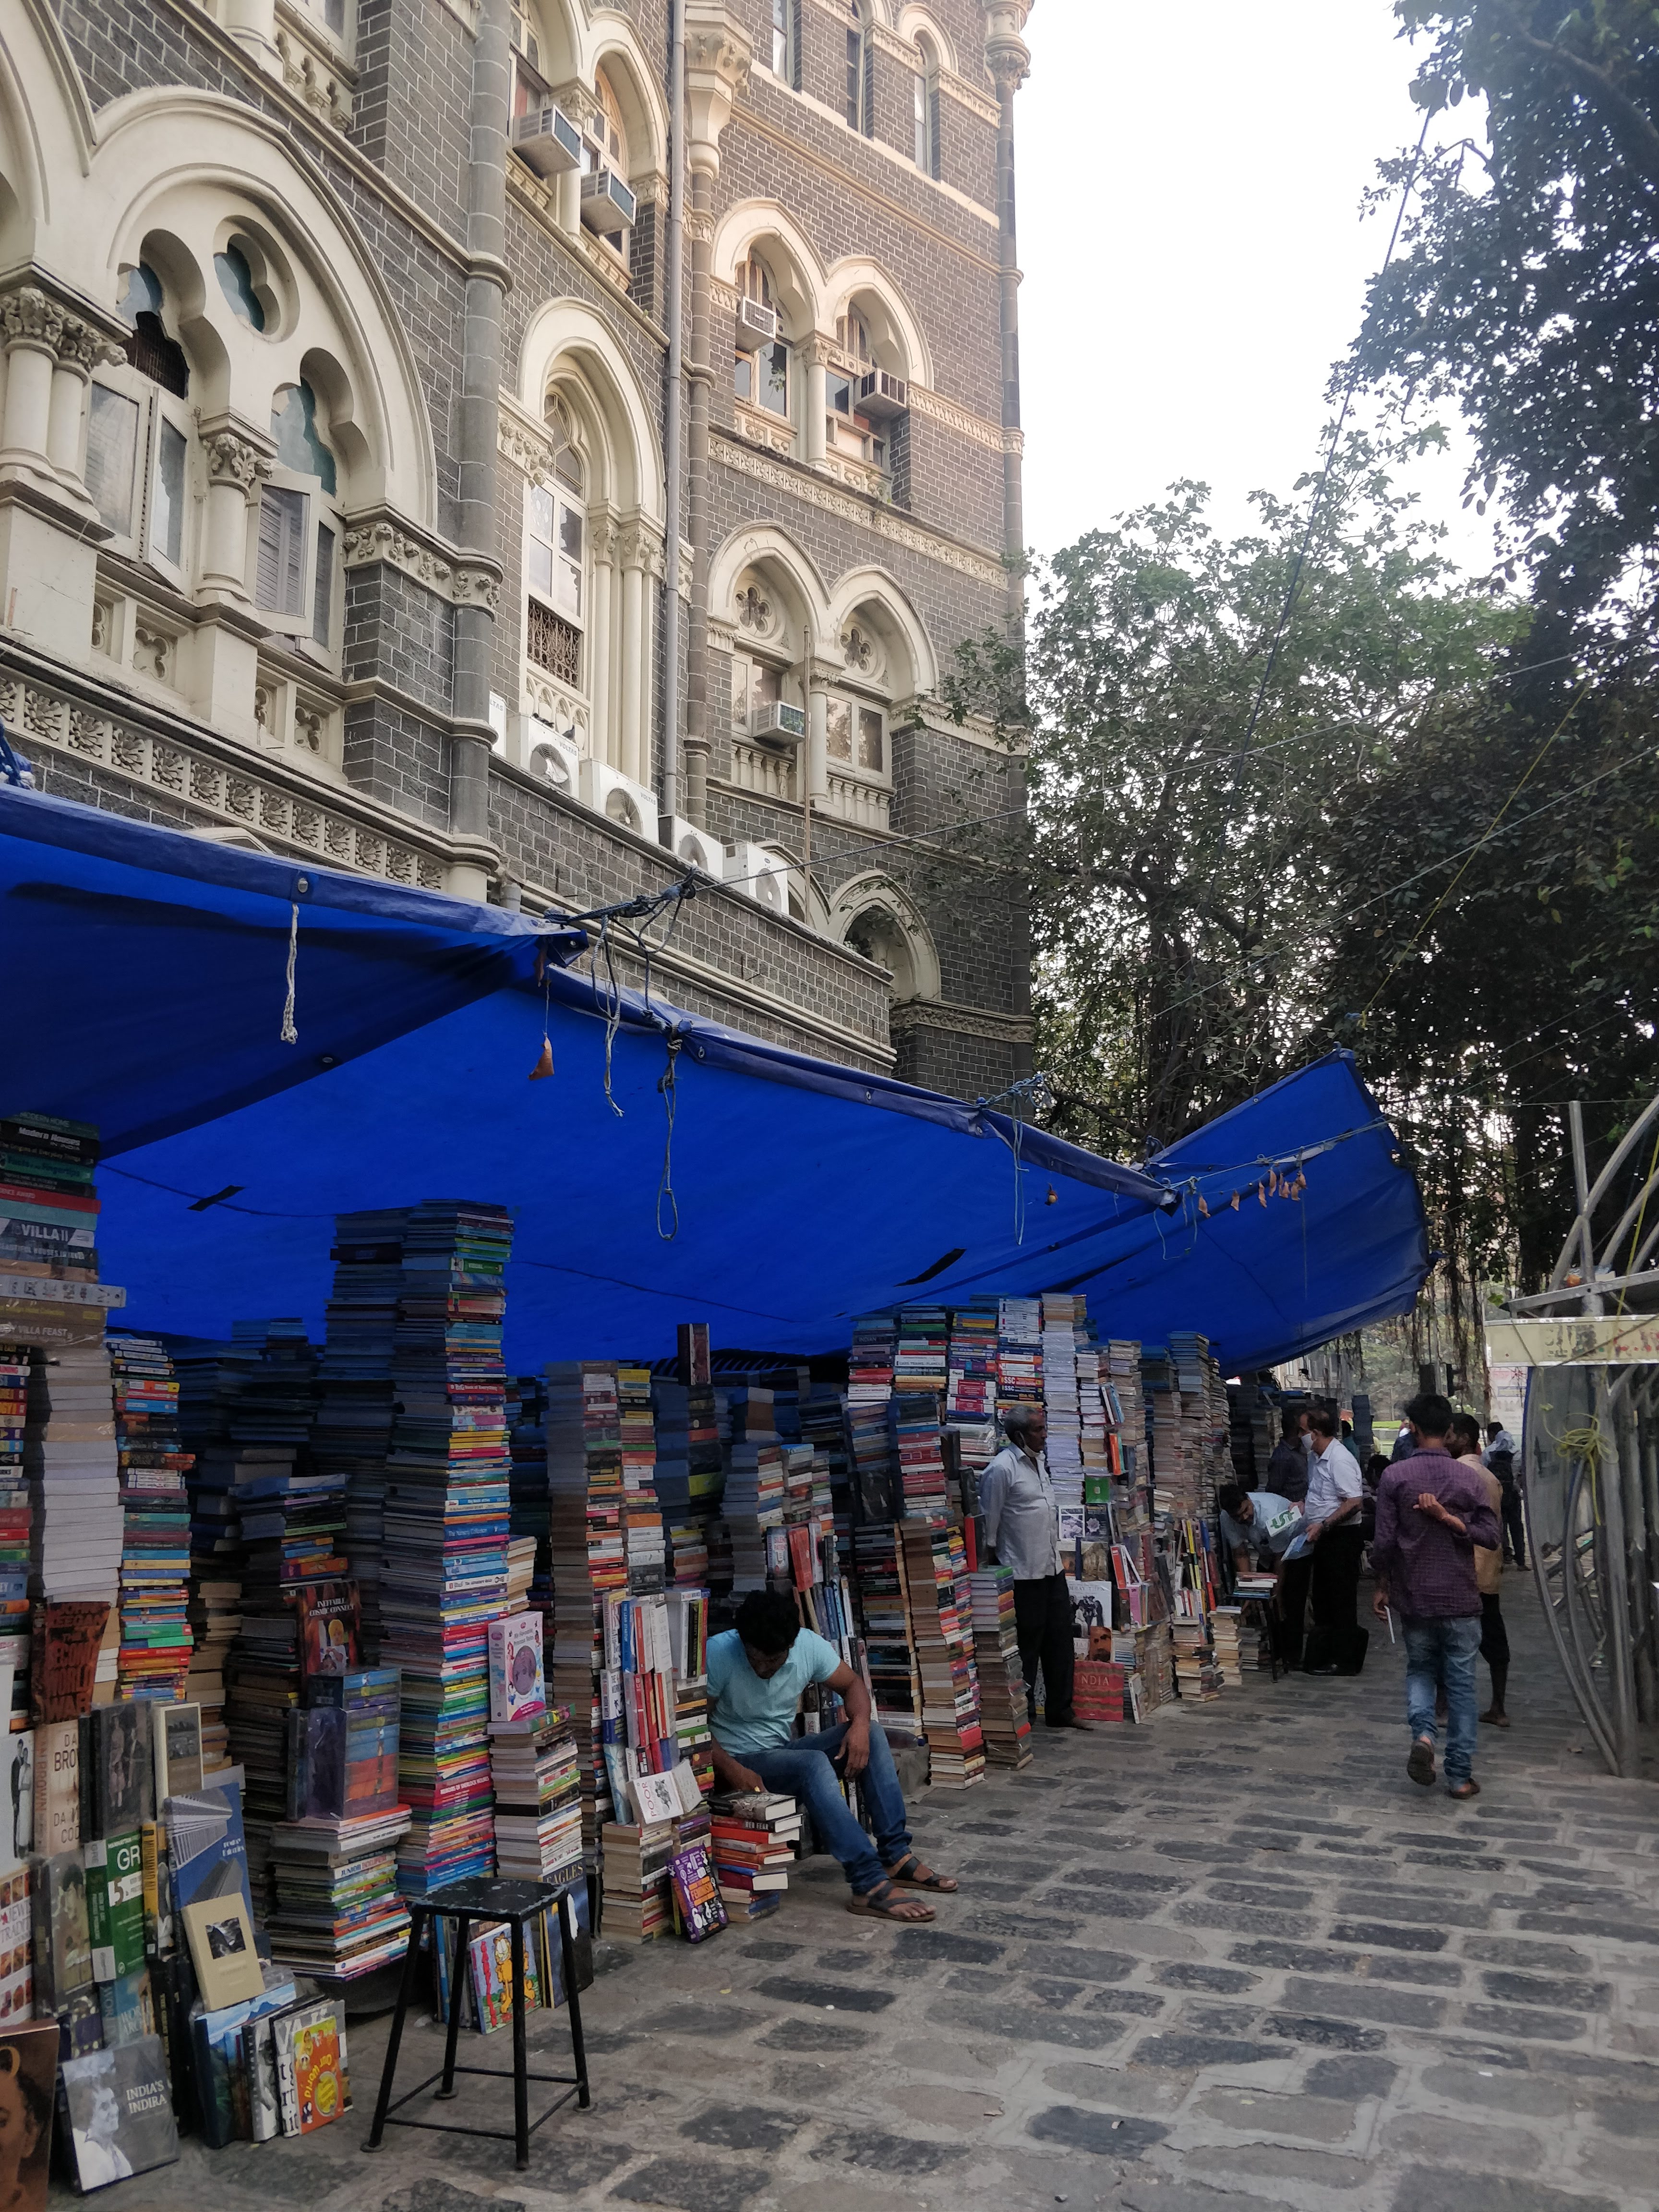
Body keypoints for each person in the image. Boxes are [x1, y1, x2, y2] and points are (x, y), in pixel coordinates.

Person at [706, 1588, 956, 1923]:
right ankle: (867, 1883)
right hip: (733, 1764)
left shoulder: (808, 1646)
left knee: (873, 1734)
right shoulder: (719, 1653)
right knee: (811, 1764)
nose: (763, 1668)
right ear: (742, 1642)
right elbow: (689, 1728)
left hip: (779, 1756)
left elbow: (853, 1685)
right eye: (755, 1658)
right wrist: (731, 1768)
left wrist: (860, 1725)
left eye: (773, 1660)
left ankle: (895, 1856)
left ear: (791, 1646)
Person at [1370, 1392, 1502, 1798]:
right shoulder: (1469, 1477)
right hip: (1460, 1597)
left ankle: (1425, 1737)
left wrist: (1382, 1585)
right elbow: (1492, 1537)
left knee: (1421, 1670)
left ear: (1411, 1427)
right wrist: (1453, 1521)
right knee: (1462, 1685)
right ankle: (1460, 1777)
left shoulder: (1394, 1477)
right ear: (1448, 1431)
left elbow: (1384, 1544)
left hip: (1415, 1596)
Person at [980, 1405, 1087, 1731]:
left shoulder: (1039, 1464)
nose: (1044, 1435)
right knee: (1026, 1647)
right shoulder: (1001, 1470)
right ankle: (1021, 1716)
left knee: (1060, 1642)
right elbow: (990, 1530)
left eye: (1044, 1429)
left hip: (1051, 1569)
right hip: (1022, 1575)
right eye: (1038, 1430)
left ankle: (1060, 1710)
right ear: (1018, 1436)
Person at [1297, 1406, 1368, 1672]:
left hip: (1341, 1536)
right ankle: (1325, 1654)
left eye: (1303, 1432)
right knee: (1324, 1597)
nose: (1301, 1437)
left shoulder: (1339, 1459)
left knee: (1341, 1598)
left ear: (1315, 1433)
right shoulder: (1317, 1458)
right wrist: (1305, 1507)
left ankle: (1344, 1659)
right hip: (1323, 1534)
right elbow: (1321, 1494)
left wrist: (1325, 1524)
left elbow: (1354, 1501)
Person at [1455, 1414, 1510, 1727]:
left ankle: (1445, 1704)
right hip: (1487, 1568)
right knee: (1494, 1638)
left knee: (1450, 1640)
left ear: (1462, 1438)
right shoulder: (1487, 1476)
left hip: (1462, 1569)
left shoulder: (1458, 1474)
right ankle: (1498, 1707)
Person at [1216, 1483, 1303, 1574]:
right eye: (1237, 1516)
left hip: (1293, 1550)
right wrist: (1248, 1585)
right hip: (1266, 1553)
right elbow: (1241, 1554)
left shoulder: (1271, 1515)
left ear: (1249, 1499)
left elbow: (1280, 1559)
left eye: (1246, 1510)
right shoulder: (1226, 1517)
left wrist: (1275, 1588)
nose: (1245, 1517)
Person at [1484, 1420, 1527, 1569]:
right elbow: (1523, 1475)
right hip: (1514, 1496)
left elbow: (1484, 1474)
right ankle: (1521, 1561)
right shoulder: (1518, 1453)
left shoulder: (1489, 1453)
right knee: (1517, 1527)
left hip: (1496, 1496)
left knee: (1499, 1528)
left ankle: (1501, 1560)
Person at [1264, 1409, 1310, 1505]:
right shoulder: (1282, 1457)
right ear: (1295, 1430)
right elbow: (1273, 1489)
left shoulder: (1301, 1448)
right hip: (1290, 1507)